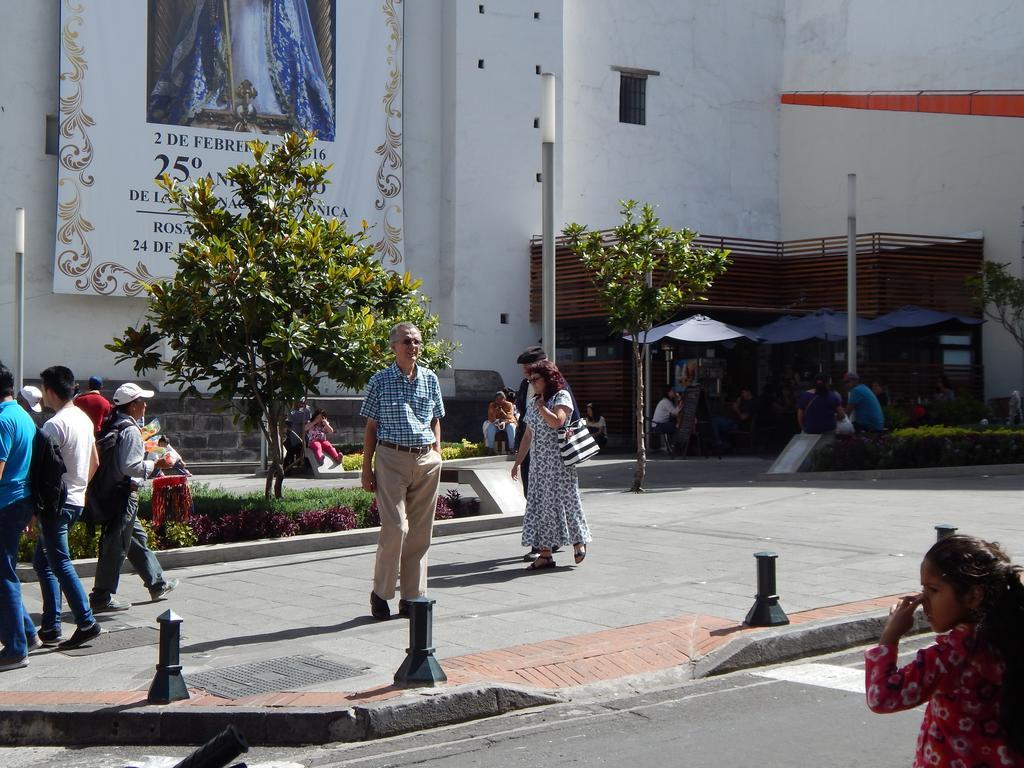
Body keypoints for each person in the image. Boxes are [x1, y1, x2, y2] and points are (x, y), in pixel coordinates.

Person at [865, 534, 1024, 766]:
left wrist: (890, 636)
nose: (923, 600)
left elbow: (883, 697)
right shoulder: (1010, 638)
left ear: (973, 595)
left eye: (933, 590)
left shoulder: (950, 657)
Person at [147, 0, 335, 140]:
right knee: (234, 34)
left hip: (268, 8)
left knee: (258, 37)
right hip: (229, 8)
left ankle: (266, 103)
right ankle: (227, 98)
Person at [360, 323, 444, 620]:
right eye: (407, 341)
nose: (413, 346)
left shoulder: (430, 379)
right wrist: (366, 468)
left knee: (421, 533)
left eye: (417, 341)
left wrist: (437, 453)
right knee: (396, 528)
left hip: (425, 460)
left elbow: (435, 419)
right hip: (391, 457)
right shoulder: (380, 381)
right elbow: (371, 427)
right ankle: (380, 593)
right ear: (394, 346)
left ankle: (413, 596)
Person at [89, 383, 179, 612]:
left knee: (136, 540)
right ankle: (102, 596)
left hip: (117, 494)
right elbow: (130, 467)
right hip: (124, 495)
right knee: (116, 545)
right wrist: (157, 463)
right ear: (132, 406)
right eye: (141, 401)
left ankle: (157, 583)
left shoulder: (115, 424)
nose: (146, 404)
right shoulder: (129, 431)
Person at [32, 366, 102, 649]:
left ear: (50, 390)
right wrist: (79, 488)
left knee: (58, 562)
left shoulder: (54, 425)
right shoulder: (83, 419)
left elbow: (40, 472)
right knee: (43, 562)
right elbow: (94, 461)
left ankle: (86, 621)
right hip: (75, 500)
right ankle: (51, 627)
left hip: (56, 504)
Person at [511, 360, 592, 570]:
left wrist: (542, 408)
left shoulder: (561, 396)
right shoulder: (533, 401)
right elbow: (528, 435)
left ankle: (578, 541)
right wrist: (517, 462)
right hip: (539, 464)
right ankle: (545, 554)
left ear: (547, 378)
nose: (532, 384)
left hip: (559, 462)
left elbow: (558, 422)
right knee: (541, 506)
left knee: (568, 500)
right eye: (530, 380)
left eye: (535, 380)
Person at [0, 361, 40, 671]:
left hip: (5, 504)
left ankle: (15, 648)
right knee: (7, 572)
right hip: (21, 502)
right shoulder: (24, 416)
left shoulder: (2, 421)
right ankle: (27, 632)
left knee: (3, 577)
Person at [283, 398, 312, 473]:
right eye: (298, 402)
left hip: (304, 435)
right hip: (294, 436)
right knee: (291, 452)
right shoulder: (292, 411)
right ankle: (285, 470)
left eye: (301, 402)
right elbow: (290, 418)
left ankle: (307, 467)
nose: (300, 404)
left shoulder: (306, 409)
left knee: (305, 452)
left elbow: (306, 417)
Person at [651, 386, 680, 450]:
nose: (674, 392)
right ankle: (673, 447)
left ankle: (670, 446)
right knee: (677, 427)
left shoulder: (665, 401)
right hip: (658, 426)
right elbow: (675, 412)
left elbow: (672, 414)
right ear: (668, 393)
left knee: (674, 426)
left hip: (657, 425)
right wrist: (680, 403)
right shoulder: (666, 402)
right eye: (672, 391)